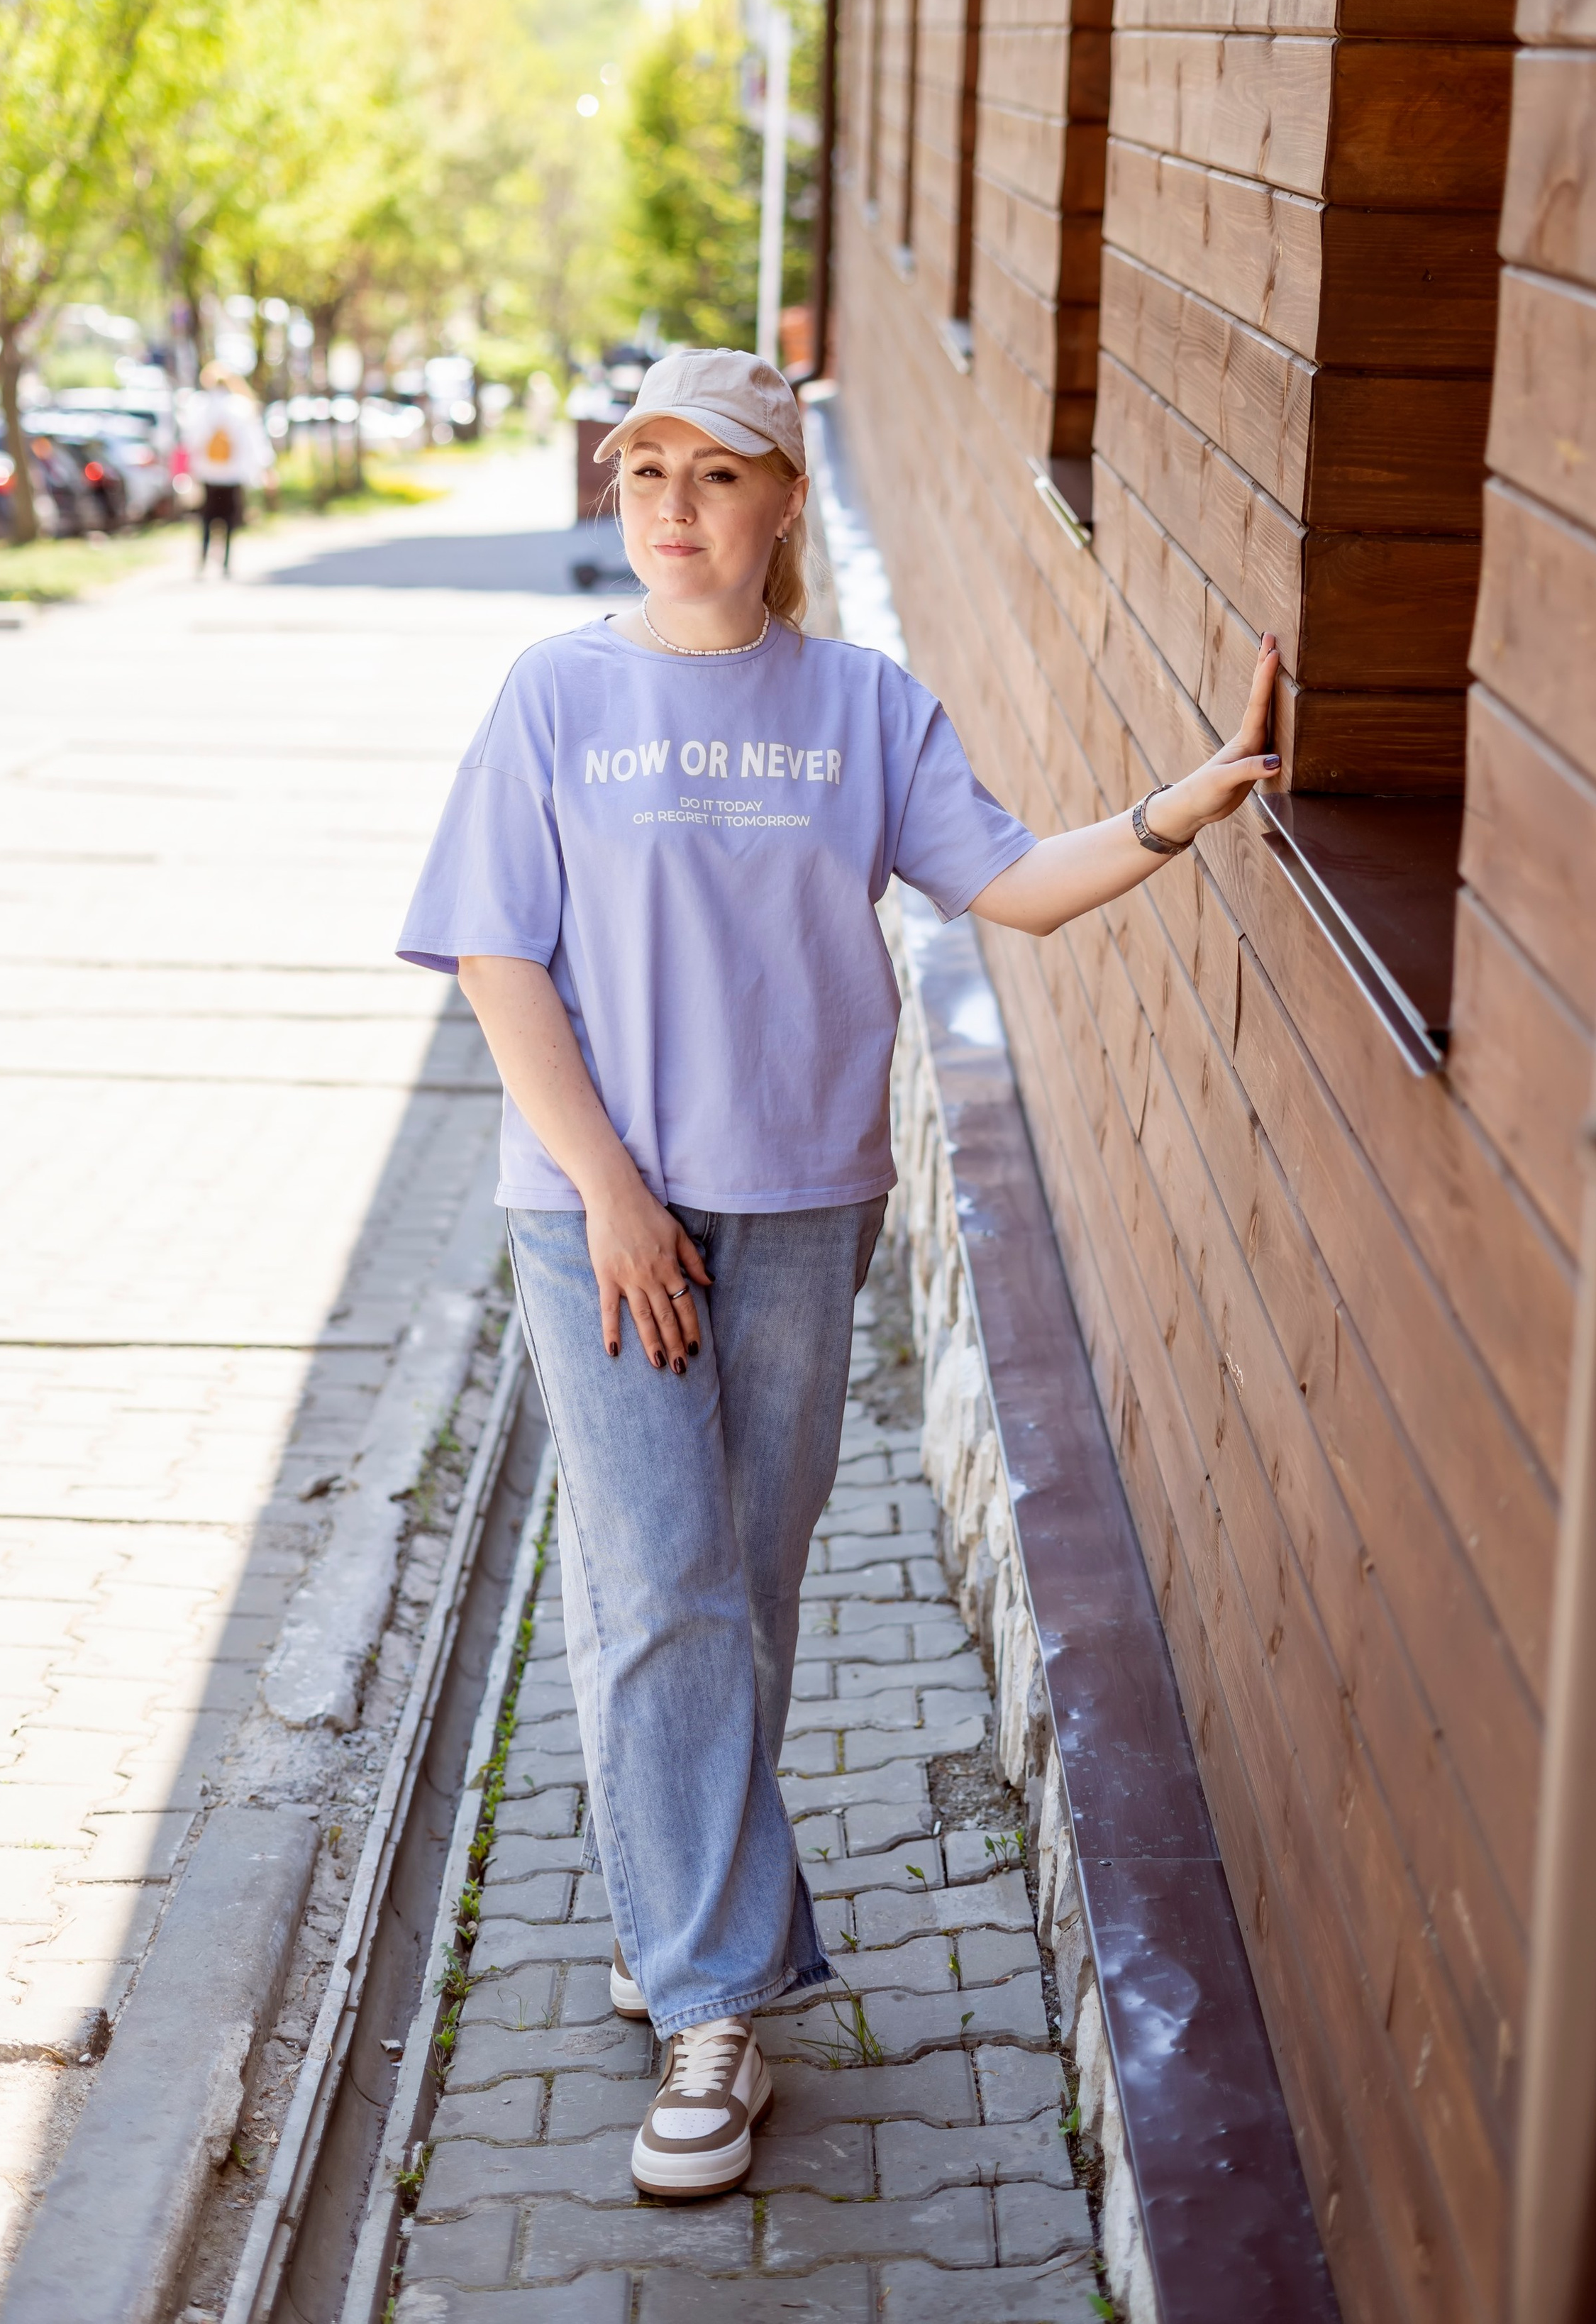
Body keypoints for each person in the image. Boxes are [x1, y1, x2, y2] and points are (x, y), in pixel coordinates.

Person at [397, 348, 1282, 2200]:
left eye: (714, 476)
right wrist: (616, 1196)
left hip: (804, 1201)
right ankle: (715, 2008)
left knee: (745, 1583)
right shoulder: (554, 696)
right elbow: (498, 962)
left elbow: (1012, 884)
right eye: (643, 472)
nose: (672, 508)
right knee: (658, 1578)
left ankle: (678, 1915)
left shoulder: (863, 707)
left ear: (786, 500)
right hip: (596, 1213)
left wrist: (1182, 808)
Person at [183, 362, 274, 574]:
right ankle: (225, 563)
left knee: (207, 518)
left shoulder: (200, 405)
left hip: (208, 472)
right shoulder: (241, 406)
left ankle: (203, 560)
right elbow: (254, 441)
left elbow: (191, 440)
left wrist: (190, 470)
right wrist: (263, 469)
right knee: (229, 519)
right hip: (233, 473)